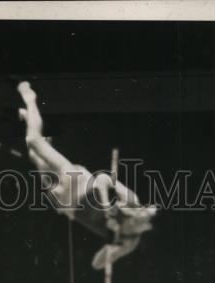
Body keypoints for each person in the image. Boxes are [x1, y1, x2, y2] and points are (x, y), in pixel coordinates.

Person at [18, 81, 155, 271]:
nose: (131, 224)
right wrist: (107, 206)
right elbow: (103, 179)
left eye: (135, 226)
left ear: (142, 229)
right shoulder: (132, 201)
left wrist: (111, 251)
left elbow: (96, 264)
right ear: (139, 213)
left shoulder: (129, 241)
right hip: (79, 182)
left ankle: (29, 119)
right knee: (33, 141)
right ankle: (31, 100)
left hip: (68, 205)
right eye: (136, 219)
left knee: (34, 155)